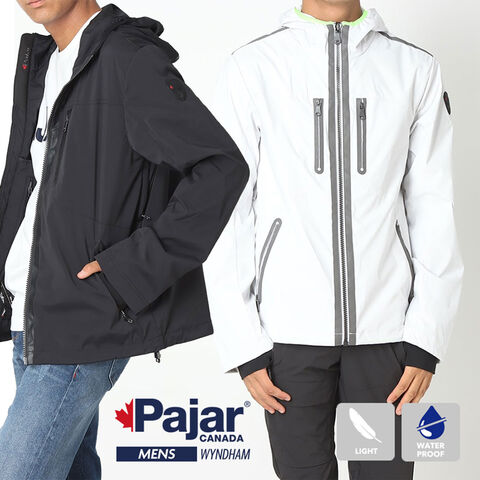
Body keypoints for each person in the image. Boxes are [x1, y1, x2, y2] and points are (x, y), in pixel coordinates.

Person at [204, 0, 463, 478]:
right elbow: (226, 211)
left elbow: (434, 207)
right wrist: (242, 342)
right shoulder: (252, 67)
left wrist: (427, 336)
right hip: (287, 340)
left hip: (387, 339)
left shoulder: (414, 68)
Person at [0, 1, 248, 479]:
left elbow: (220, 168)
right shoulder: (42, 62)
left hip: (85, 317)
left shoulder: (128, 58)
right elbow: (29, 188)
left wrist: (129, 271)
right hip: (31, 315)